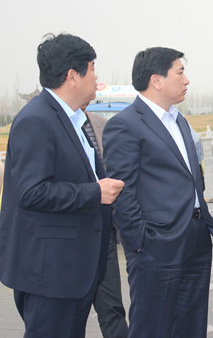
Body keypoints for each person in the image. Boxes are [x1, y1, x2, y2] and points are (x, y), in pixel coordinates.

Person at [0, 33, 125, 338]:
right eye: (92, 69)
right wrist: (96, 192)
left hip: (75, 269)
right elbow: (31, 192)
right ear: (72, 76)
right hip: (50, 273)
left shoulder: (73, 119)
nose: (96, 78)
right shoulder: (36, 120)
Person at [103, 46, 213, 338]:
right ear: (156, 80)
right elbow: (123, 191)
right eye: (180, 73)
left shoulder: (179, 121)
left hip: (195, 238)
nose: (186, 80)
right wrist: (140, 243)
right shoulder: (125, 125)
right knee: (152, 327)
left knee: (191, 325)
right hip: (156, 246)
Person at [81, 104, 129, 338]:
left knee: (112, 309)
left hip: (104, 233)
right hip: (69, 239)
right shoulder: (47, 123)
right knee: (66, 317)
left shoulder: (100, 124)